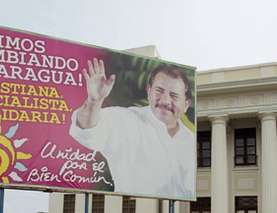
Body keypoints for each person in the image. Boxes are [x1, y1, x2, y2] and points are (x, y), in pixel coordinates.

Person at [70, 59, 196, 198]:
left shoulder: (190, 139)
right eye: (159, 91)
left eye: (174, 96)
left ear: (186, 104)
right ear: (149, 91)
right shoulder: (127, 120)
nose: (165, 101)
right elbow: (88, 130)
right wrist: (93, 101)